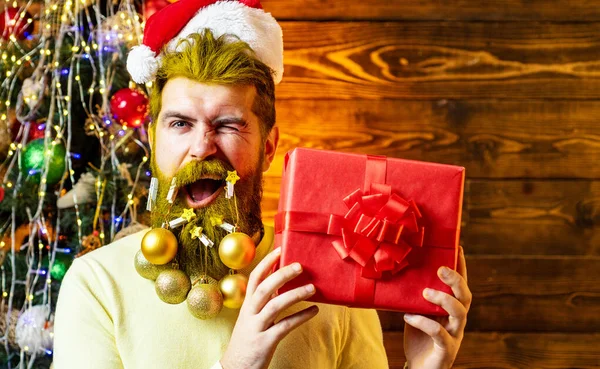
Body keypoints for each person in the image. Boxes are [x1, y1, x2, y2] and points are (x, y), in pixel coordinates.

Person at [54, 0, 472, 368]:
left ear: (269, 148)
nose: (202, 147)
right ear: (153, 139)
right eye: (180, 123)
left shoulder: (332, 271)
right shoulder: (95, 284)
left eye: (229, 125)